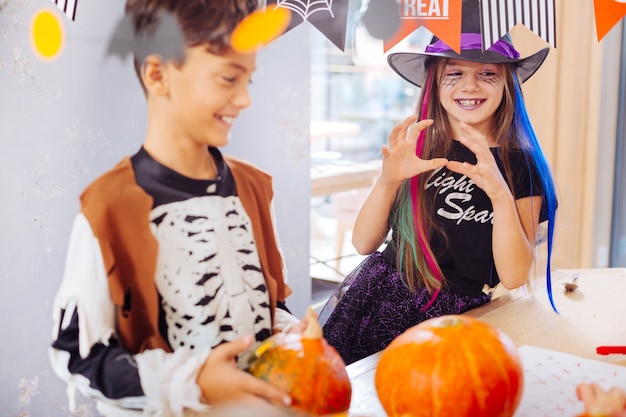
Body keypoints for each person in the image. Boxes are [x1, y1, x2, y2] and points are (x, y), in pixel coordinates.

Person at [49, 1, 304, 415]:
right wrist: (193, 382)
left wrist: (292, 336)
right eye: (227, 79)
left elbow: (265, 306)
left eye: (249, 82)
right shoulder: (108, 206)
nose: (244, 100)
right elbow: (78, 357)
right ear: (157, 74)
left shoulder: (254, 187)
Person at [319, 0, 558, 365]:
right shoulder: (418, 147)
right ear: (435, 81)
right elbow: (363, 242)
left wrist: (498, 191)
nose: (470, 85)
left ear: (508, 81)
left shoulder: (521, 167)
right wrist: (387, 181)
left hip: (454, 319)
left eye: (487, 73)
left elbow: (512, 276)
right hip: (379, 301)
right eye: (454, 73)